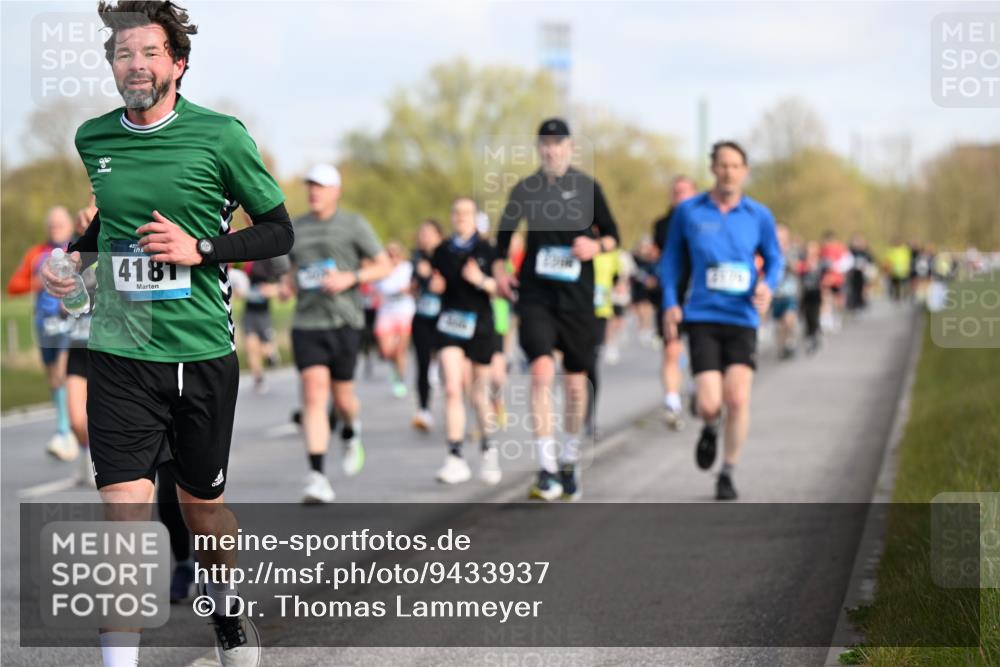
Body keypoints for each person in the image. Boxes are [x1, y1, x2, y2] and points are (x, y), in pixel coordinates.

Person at [41, 3, 295, 665]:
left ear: (177, 64)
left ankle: (227, 606)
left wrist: (200, 246)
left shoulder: (222, 136)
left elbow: (278, 230)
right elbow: (112, 225)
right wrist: (72, 261)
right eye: (124, 53)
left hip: (199, 350)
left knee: (201, 510)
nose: (137, 64)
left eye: (151, 52)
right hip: (121, 342)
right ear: (112, 66)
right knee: (124, 519)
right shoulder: (95, 139)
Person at [494, 118, 620, 501]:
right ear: (539, 149)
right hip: (536, 297)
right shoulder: (526, 188)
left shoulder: (587, 187)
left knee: (575, 384)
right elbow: (501, 238)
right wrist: (500, 272)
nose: (551, 149)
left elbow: (614, 235)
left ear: (570, 147)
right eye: (545, 143)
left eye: (557, 143)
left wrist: (595, 247)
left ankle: (569, 459)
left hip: (578, 300)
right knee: (540, 373)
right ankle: (546, 467)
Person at [661, 140, 783, 501]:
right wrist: (670, 302)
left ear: (744, 171)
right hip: (702, 315)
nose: (729, 172)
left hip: (743, 316)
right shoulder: (689, 212)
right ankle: (710, 427)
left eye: (736, 166)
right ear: (713, 168)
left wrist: (769, 286)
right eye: (723, 165)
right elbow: (670, 262)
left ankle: (727, 472)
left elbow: (775, 258)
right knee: (710, 403)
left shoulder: (758, 215)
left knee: (738, 398)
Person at [285, 163, 391, 504]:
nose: (314, 192)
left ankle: (351, 429)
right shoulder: (296, 228)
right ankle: (316, 476)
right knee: (314, 394)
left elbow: (383, 264)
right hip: (307, 323)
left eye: (321, 186)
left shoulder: (353, 224)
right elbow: (292, 272)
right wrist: (287, 286)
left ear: (336, 191)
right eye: (310, 186)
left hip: (345, 322)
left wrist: (351, 278)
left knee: (343, 397)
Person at [431, 197, 503, 485]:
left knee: (478, 394)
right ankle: (455, 457)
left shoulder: (489, 249)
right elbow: (429, 283)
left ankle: (488, 449)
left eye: (467, 213)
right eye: (456, 212)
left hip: (481, 326)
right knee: (451, 388)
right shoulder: (441, 251)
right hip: (450, 324)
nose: (461, 217)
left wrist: (480, 280)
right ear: (451, 216)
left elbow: (502, 289)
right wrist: (432, 286)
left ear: (475, 217)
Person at [7, 206, 78, 461]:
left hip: (71, 323)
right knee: (53, 377)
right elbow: (14, 286)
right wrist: (37, 282)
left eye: (60, 225)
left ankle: (64, 430)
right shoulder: (36, 253)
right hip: (44, 323)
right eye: (52, 226)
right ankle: (69, 432)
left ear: (70, 226)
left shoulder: (79, 250)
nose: (55, 230)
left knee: (63, 372)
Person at [651, 175, 697, 427]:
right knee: (672, 348)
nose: (680, 197)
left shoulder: (705, 220)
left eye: (685, 192)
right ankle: (671, 402)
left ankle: (695, 386)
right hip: (672, 295)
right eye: (676, 192)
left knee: (700, 349)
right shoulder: (662, 225)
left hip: (700, 294)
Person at [410, 219, 445, 431]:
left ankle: (455, 403)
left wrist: (430, 275)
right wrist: (415, 284)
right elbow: (414, 287)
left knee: (448, 365)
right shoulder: (417, 258)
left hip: (444, 318)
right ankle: (424, 410)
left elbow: (441, 286)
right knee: (422, 363)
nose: (424, 237)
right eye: (422, 233)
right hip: (422, 316)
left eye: (429, 233)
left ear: (440, 236)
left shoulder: (447, 257)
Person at [239, 253, 289, 394]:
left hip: (264, 314)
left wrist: (272, 290)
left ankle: (271, 354)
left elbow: (283, 287)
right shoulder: (244, 263)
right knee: (250, 346)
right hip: (249, 312)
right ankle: (258, 378)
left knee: (265, 348)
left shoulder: (269, 262)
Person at [374, 241, 415, 399]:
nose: (393, 257)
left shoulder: (407, 268)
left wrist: (409, 289)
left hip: (404, 312)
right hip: (386, 312)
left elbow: (412, 286)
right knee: (386, 350)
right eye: (389, 254)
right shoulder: (381, 270)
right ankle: (394, 368)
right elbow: (378, 290)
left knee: (400, 350)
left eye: (396, 254)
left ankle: (400, 379)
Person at [771, 224, 801, 360]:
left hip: (790, 292)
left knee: (789, 319)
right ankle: (782, 346)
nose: (779, 240)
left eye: (782, 237)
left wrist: (789, 262)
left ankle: (790, 341)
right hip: (774, 293)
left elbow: (798, 269)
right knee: (779, 324)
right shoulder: (768, 251)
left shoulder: (792, 252)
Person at [798, 241, 825, 355]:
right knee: (805, 316)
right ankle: (810, 336)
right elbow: (798, 272)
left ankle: (814, 337)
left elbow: (829, 275)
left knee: (814, 316)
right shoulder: (803, 263)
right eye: (809, 249)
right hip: (803, 294)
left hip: (816, 293)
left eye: (813, 249)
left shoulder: (822, 263)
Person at [846, 233, 875, 313]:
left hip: (863, 274)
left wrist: (869, 271)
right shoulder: (850, 251)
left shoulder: (866, 252)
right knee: (853, 289)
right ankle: (853, 304)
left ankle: (861, 303)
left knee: (863, 288)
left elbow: (871, 263)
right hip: (853, 274)